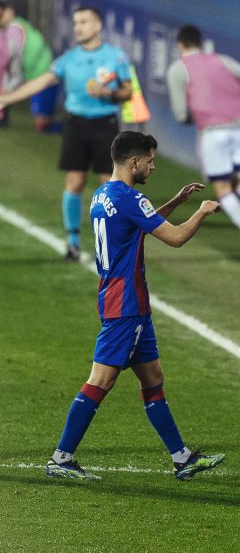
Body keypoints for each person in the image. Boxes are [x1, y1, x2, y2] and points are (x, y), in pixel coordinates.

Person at [45, 131, 225, 481]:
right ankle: (61, 457)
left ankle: (182, 458)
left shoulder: (103, 194)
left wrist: (176, 201)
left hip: (123, 300)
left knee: (153, 378)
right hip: (125, 304)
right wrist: (202, 213)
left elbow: (136, 227)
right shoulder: (130, 197)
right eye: (150, 160)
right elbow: (173, 238)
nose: (153, 166)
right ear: (133, 162)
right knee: (101, 380)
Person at [0, 6, 132, 261]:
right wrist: (8, 99)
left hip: (105, 126)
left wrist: (109, 94)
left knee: (111, 187)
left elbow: (128, 91)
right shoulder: (69, 59)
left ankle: (111, 244)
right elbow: (41, 82)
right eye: (75, 22)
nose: (78, 27)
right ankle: (72, 241)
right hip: (75, 126)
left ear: (98, 26)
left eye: (84, 22)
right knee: (74, 181)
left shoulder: (115, 57)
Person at [166, 24, 240, 251]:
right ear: (201, 43)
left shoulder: (178, 68)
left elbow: (180, 113)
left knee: (223, 189)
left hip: (213, 132)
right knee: (239, 180)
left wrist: (188, 116)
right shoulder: (222, 59)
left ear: (180, 45)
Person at [0, 0, 59, 132]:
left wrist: (8, 88)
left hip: (44, 75)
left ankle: (73, 130)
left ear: (9, 12)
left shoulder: (14, 29)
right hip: (37, 76)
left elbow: (15, 66)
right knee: (43, 124)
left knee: (43, 125)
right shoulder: (12, 28)